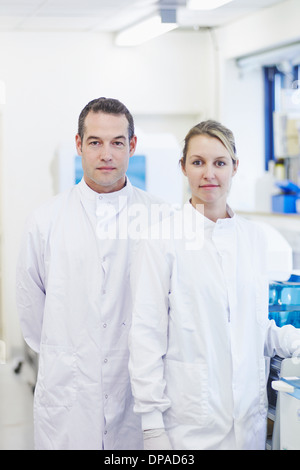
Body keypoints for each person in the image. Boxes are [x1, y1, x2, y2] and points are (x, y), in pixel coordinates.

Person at [128, 120, 300, 450]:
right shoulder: (161, 240)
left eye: (220, 163)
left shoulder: (253, 238)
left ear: (235, 167)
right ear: (183, 167)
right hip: (189, 427)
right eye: (198, 162)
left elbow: (252, 325)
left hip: (247, 423)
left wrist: (294, 341)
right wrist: (152, 427)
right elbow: (146, 337)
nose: (209, 173)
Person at [16, 97, 166, 450]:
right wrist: (71, 351)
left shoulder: (162, 218)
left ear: (131, 146)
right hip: (69, 396)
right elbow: (31, 313)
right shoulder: (46, 220)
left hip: (136, 394)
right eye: (95, 142)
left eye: (117, 142)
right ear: (79, 145)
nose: (106, 154)